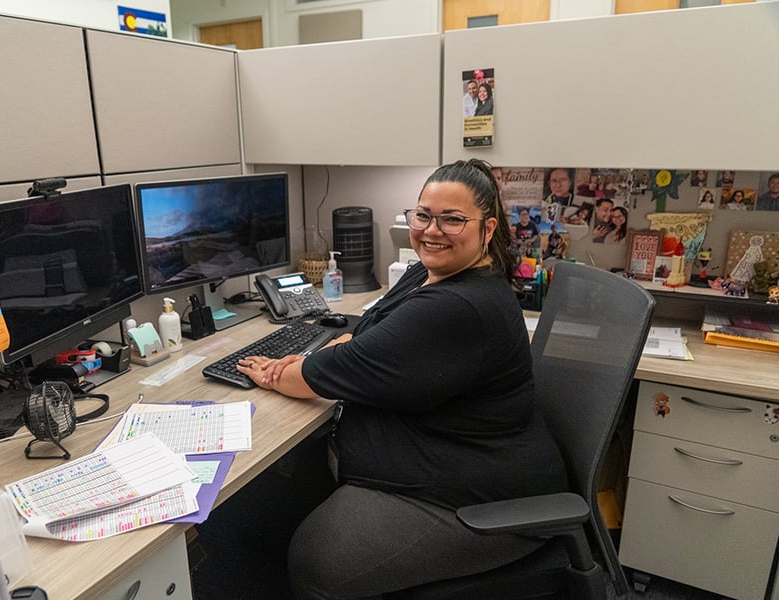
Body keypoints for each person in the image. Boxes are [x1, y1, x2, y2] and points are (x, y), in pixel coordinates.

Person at [235, 159, 568, 599]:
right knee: (276, 506)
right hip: (450, 451)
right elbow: (362, 333)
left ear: (487, 230)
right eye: (424, 215)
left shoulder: (458, 307)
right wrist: (317, 359)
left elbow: (320, 374)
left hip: (483, 498)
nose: (431, 230)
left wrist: (280, 371)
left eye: (452, 219)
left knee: (316, 558)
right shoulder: (425, 272)